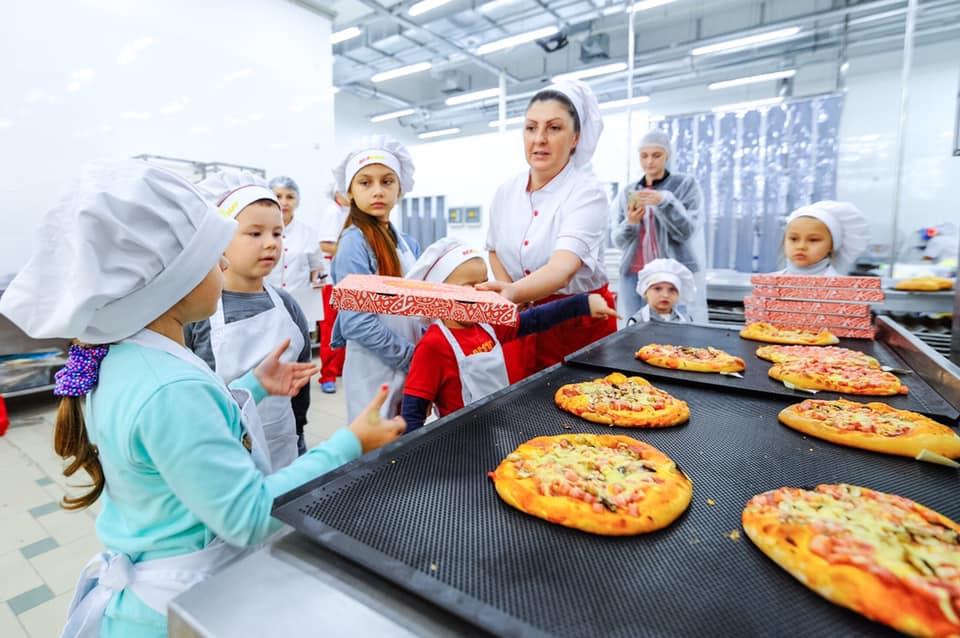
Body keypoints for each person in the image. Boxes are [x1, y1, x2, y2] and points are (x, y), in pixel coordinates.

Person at [0, 160, 404, 638]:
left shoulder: (126, 357)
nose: (223, 266)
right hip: (178, 603)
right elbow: (248, 517)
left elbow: (176, 440)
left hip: (152, 585)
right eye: (213, 257)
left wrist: (251, 386)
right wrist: (349, 444)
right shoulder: (170, 388)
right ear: (170, 280)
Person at [400, 238, 618, 431]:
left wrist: (581, 304)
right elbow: (414, 408)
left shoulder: (488, 325)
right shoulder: (434, 344)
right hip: (459, 437)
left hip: (499, 424)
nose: (480, 291)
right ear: (440, 295)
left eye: (483, 281)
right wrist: (408, 454)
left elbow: (536, 319)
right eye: (468, 286)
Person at [481, 79, 617, 382]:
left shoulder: (586, 192)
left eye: (554, 128)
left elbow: (562, 269)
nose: (539, 139)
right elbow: (494, 249)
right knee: (518, 403)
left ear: (575, 138)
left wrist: (514, 292)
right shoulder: (506, 191)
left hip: (577, 322)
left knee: (581, 404)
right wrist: (512, 294)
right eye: (531, 128)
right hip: (523, 321)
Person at [186, 171, 310, 467]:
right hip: (222, 454)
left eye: (277, 233)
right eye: (255, 234)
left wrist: (300, 432)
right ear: (220, 239)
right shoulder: (199, 312)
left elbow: (300, 382)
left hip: (283, 446)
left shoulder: (287, 306)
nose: (271, 244)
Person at [331, 135, 422, 422]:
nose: (378, 191)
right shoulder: (354, 243)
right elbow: (355, 322)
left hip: (406, 362)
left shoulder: (407, 243)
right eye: (365, 183)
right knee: (376, 439)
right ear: (350, 191)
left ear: (400, 188)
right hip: (374, 367)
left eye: (387, 181)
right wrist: (410, 357)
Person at [612, 129, 706, 322]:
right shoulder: (630, 191)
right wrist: (631, 223)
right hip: (634, 273)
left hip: (671, 274)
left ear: (667, 156)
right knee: (634, 327)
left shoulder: (685, 185)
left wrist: (665, 202)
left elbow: (686, 232)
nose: (649, 162)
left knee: (673, 329)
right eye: (644, 156)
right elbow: (618, 241)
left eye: (656, 155)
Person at [264, 176, 326, 330]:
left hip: (300, 305)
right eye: (278, 196)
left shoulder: (309, 234)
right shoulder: (260, 232)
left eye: (290, 197)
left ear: (297, 201)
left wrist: (318, 279)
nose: (284, 202)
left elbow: (317, 268)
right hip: (266, 304)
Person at [315, 182, 350, 393]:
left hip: (345, 277)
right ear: (337, 192)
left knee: (346, 325)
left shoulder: (347, 213)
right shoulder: (332, 212)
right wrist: (352, 251)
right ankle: (327, 375)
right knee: (330, 328)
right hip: (331, 279)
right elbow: (325, 244)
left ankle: (338, 368)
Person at [777, 200, 870, 275]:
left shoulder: (840, 288)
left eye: (813, 240)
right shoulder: (769, 284)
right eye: (793, 239)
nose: (801, 246)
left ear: (831, 246)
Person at [626, 258, 696, 325]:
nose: (665, 295)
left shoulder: (687, 321)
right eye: (657, 289)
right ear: (645, 292)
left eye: (672, 290)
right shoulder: (636, 322)